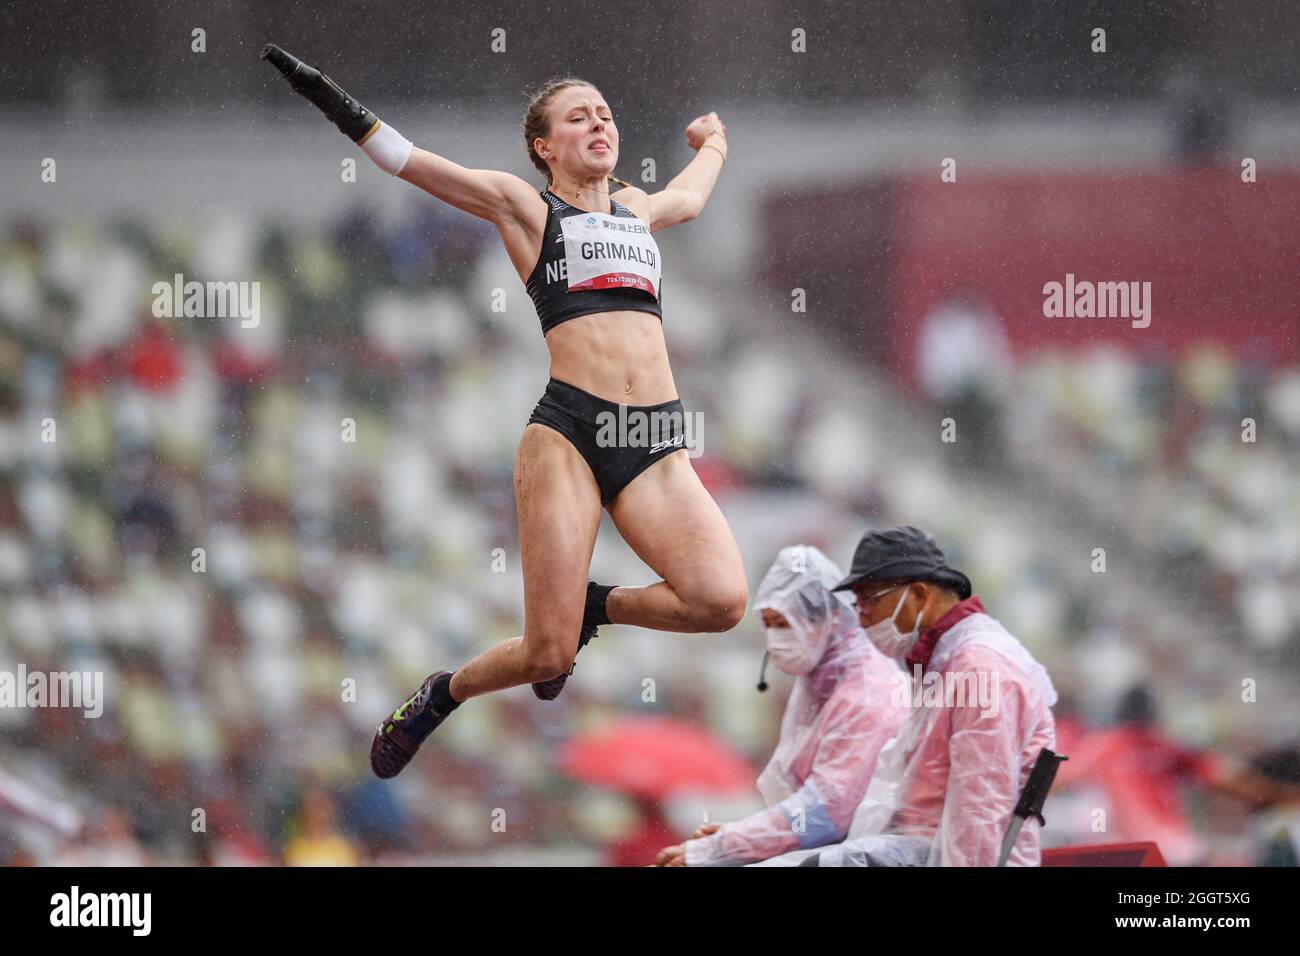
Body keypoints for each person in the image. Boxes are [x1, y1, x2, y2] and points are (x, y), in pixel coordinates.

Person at [260, 46, 748, 779]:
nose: (599, 124)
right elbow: (409, 161)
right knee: (545, 654)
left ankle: (597, 607)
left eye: (606, 114)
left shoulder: (637, 209)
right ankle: (443, 693)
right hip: (573, 434)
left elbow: (693, 195)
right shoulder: (524, 205)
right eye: (578, 116)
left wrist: (713, 144)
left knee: (720, 600)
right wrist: (325, 93)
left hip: (653, 438)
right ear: (544, 147)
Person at [759, 525, 1058, 866]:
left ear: (918, 595)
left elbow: (980, 815)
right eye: (857, 602)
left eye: (869, 598)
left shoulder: (981, 670)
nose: (862, 614)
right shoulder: (941, 662)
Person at [653, 545, 909, 866]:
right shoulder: (820, 680)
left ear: (829, 618)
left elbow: (828, 810)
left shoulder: (868, 691)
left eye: (785, 624)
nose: (775, 638)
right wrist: (742, 836)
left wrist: (728, 845)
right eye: (769, 623)